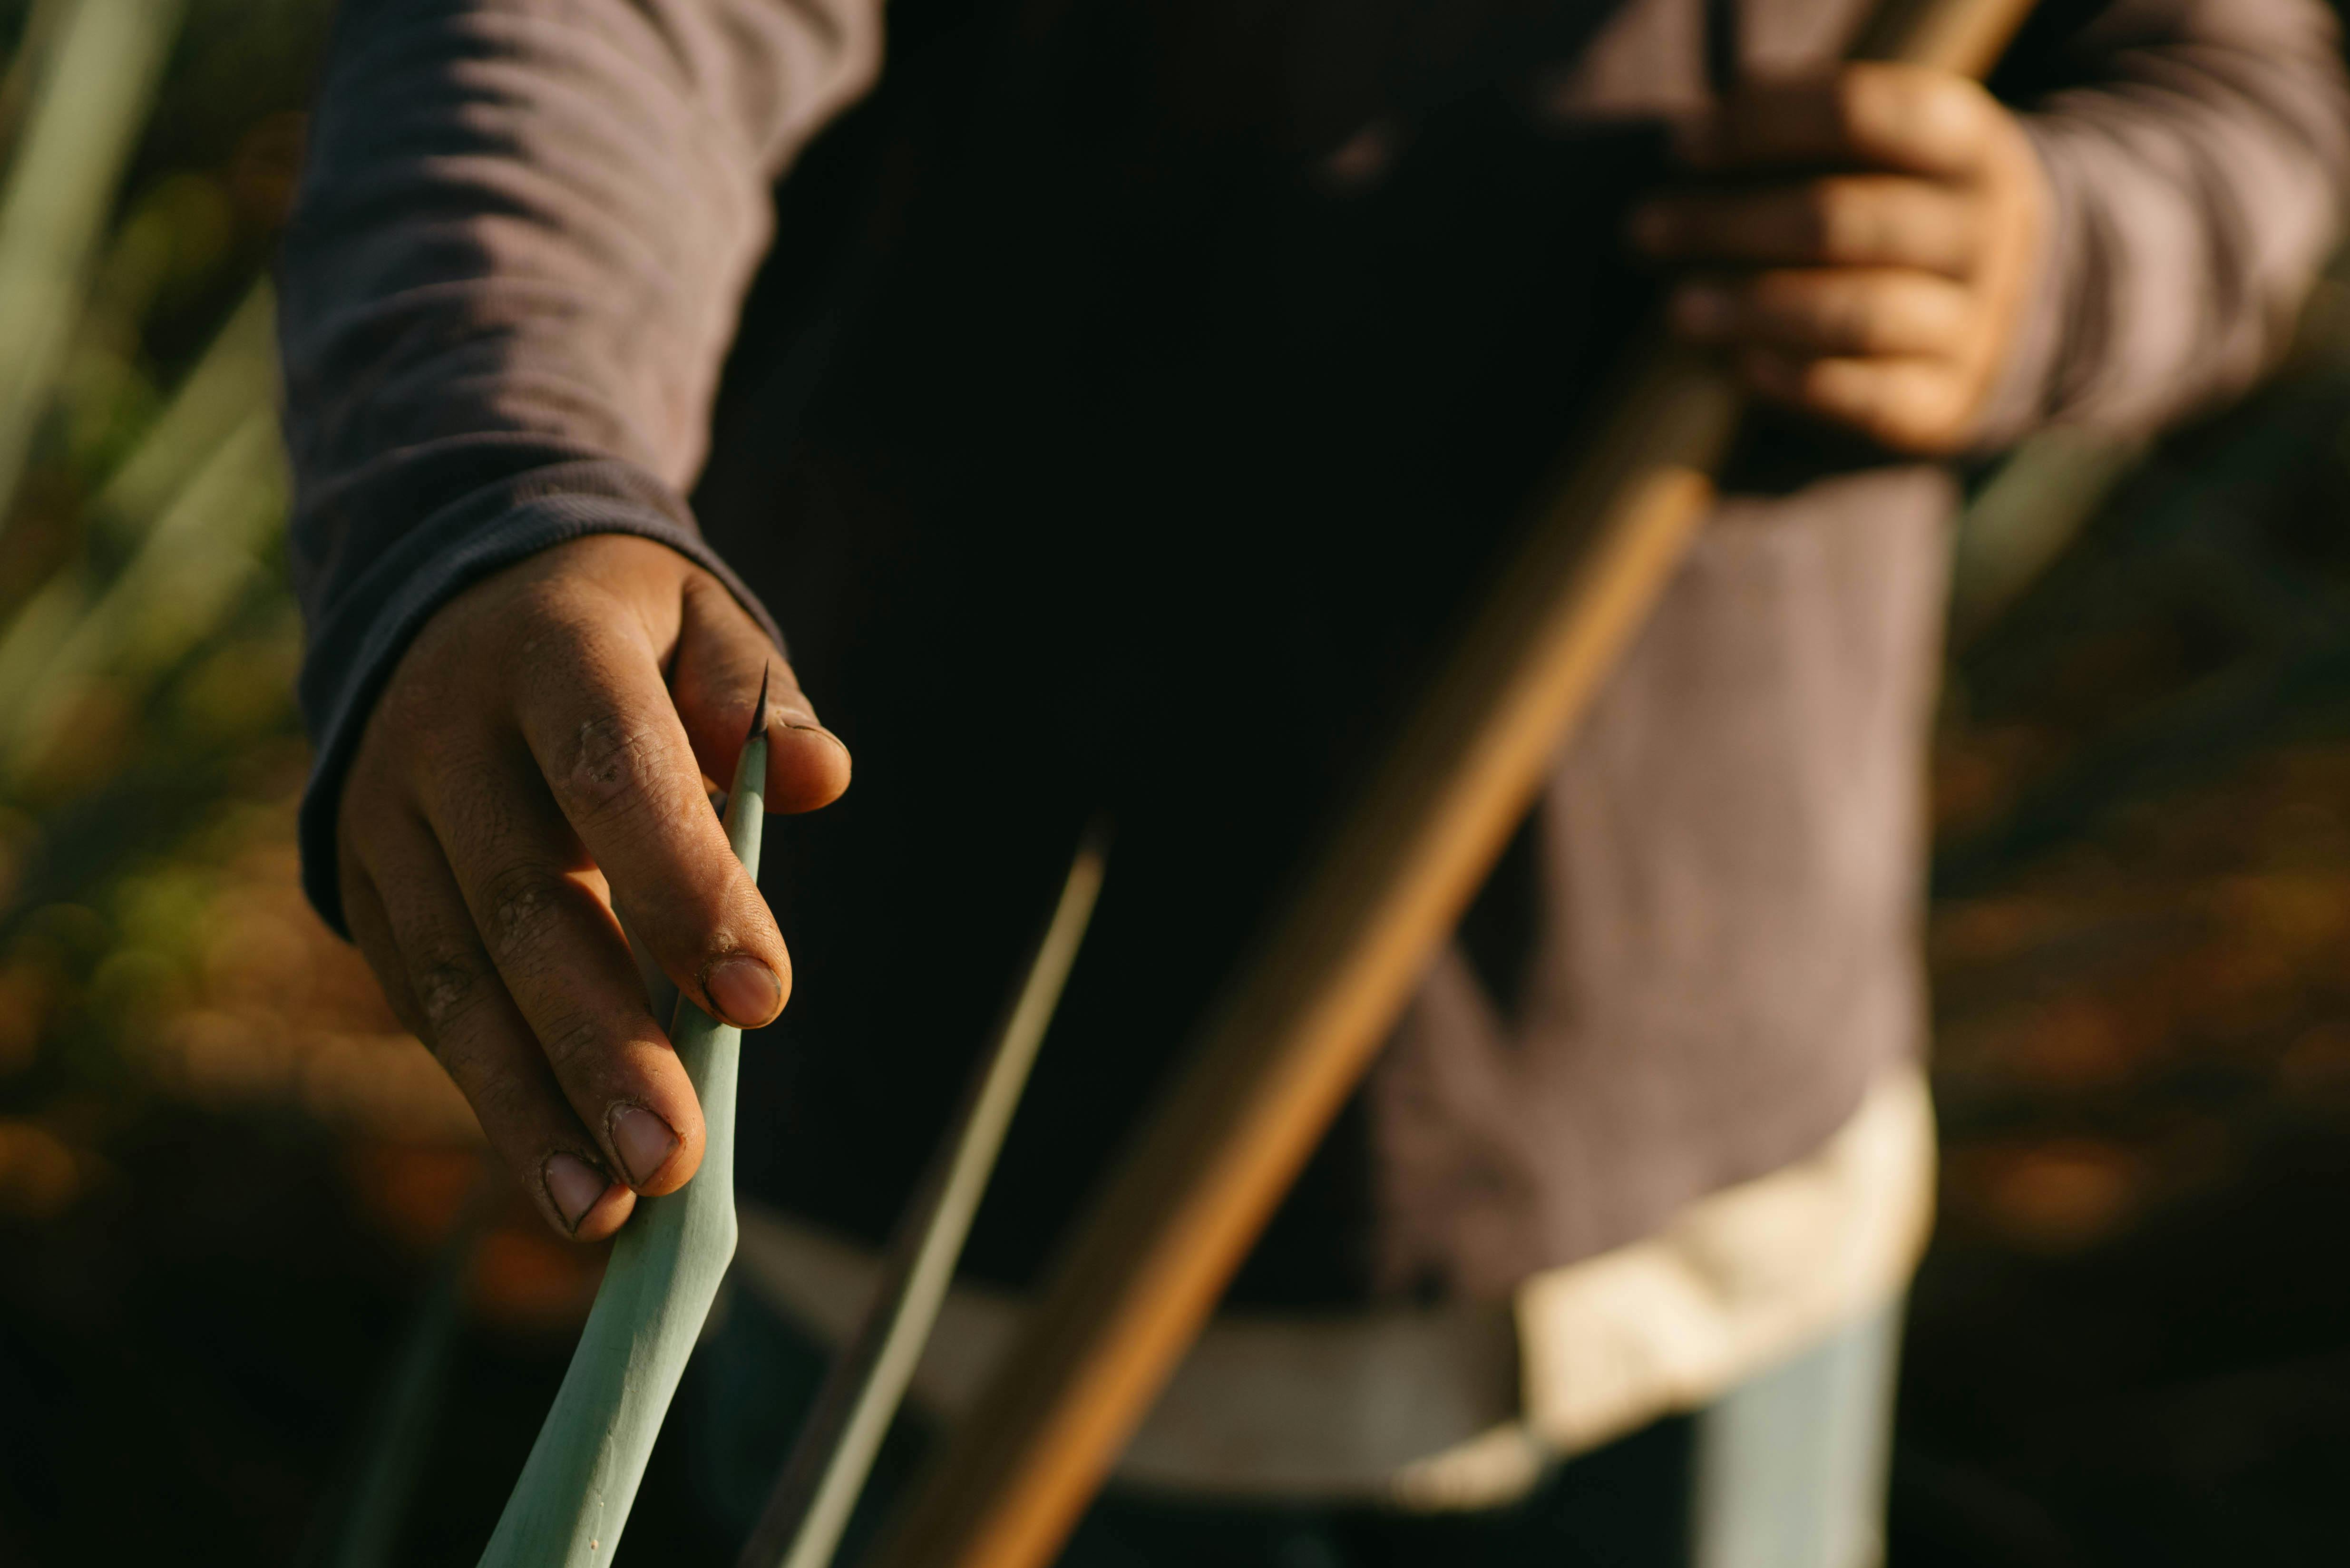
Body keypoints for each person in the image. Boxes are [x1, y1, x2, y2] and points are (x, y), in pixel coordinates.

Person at [278, 0, 2349, 1562]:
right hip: (913, 1232)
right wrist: (498, 470)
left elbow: (2242, 91)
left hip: (1695, 1249)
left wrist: (2057, 256)